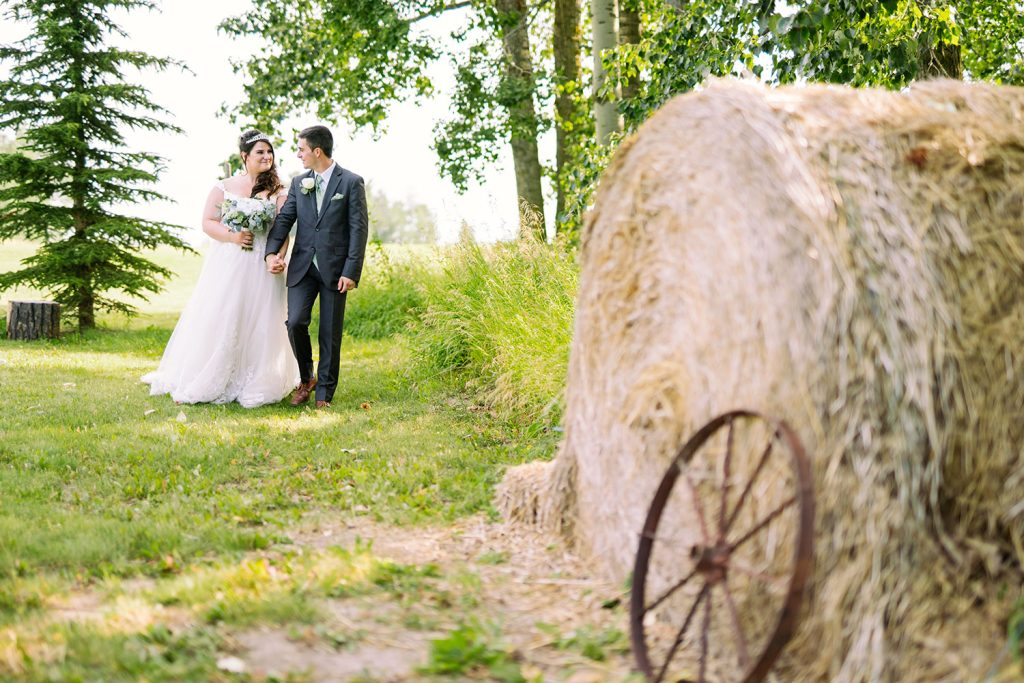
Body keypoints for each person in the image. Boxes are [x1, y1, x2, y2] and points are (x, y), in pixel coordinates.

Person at [142, 130, 298, 407]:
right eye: (260, 152)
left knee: (263, 317)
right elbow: (208, 222)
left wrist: (277, 257)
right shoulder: (224, 187)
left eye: (269, 152)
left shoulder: (279, 192)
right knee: (227, 313)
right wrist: (233, 236)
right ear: (244, 156)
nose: (267, 157)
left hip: (264, 260)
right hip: (232, 261)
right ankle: (213, 373)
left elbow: (282, 230)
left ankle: (257, 376)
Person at [265, 125, 368, 408]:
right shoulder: (299, 183)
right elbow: (285, 220)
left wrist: (351, 271)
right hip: (302, 267)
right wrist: (271, 253)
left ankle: (324, 393)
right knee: (295, 322)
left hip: (336, 270)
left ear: (317, 151)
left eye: (301, 150)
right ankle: (307, 377)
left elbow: (358, 230)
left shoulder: (350, 182)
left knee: (329, 332)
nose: (298, 154)